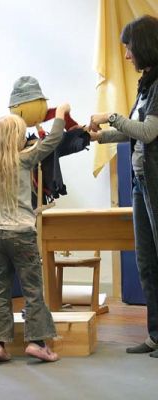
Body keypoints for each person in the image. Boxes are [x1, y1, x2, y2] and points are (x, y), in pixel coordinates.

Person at [89, 15, 158, 358]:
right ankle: (156, 335)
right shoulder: (147, 86)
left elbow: (148, 132)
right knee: (147, 263)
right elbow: (134, 130)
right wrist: (99, 136)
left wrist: (111, 116)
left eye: (129, 47)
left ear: (143, 45)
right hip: (141, 185)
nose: (127, 55)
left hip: (155, 187)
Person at [0, 103, 70, 362]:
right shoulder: (24, 159)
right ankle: (37, 342)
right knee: (33, 289)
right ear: (16, 139)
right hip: (22, 233)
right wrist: (60, 113)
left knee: (0, 290)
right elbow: (52, 140)